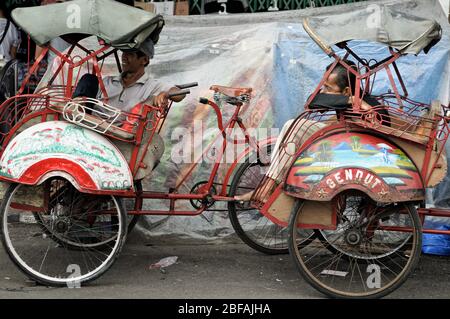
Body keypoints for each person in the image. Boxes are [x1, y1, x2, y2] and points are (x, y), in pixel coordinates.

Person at [235, 60, 388, 202]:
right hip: (342, 139)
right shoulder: (352, 100)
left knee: (293, 126)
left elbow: (381, 126)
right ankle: (270, 186)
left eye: (328, 88)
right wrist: (350, 101)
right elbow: (313, 100)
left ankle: (268, 188)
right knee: (293, 129)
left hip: (354, 151)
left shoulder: (372, 108)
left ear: (347, 90)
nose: (323, 90)